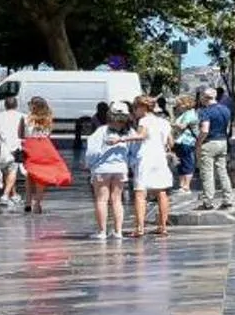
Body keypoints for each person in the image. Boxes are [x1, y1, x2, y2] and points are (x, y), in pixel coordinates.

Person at [128, 95, 175, 238]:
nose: (134, 111)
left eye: (135, 108)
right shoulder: (164, 122)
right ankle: (163, 226)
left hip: (146, 157)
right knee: (161, 192)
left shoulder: (144, 120)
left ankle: (139, 228)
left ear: (142, 107)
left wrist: (122, 139)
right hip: (160, 158)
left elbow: (141, 136)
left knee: (140, 192)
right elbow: (171, 142)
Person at [16, 97, 73, 212]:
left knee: (30, 174)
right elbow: (48, 134)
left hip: (30, 145)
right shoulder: (48, 118)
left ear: (33, 106)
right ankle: (37, 202)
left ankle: (27, 201)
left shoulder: (25, 118)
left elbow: (20, 134)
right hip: (45, 146)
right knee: (41, 175)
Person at [85, 106, 134, 239]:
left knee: (101, 200)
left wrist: (89, 164)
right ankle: (118, 231)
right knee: (117, 200)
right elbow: (133, 151)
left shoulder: (102, 131)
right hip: (120, 169)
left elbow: (92, 151)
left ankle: (102, 232)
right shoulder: (129, 133)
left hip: (102, 168)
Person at [192, 87, 235, 211]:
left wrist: (198, 142)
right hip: (222, 141)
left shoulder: (205, 111)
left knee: (207, 172)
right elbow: (227, 127)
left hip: (209, 142)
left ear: (204, 97)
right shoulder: (225, 109)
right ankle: (228, 199)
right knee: (222, 171)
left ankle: (208, 201)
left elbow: (205, 129)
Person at [170, 96, 200, 197]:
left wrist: (171, 124)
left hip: (187, 141)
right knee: (181, 163)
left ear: (185, 104)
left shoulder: (189, 114)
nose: (177, 107)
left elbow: (182, 126)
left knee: (187, 163)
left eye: (179, 104)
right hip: (181, 141)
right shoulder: (185, 113)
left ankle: (186, 186)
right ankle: (182, 185)